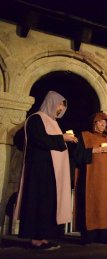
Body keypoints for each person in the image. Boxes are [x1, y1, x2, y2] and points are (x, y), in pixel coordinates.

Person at [14, 91, 78, 250]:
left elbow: (55, 144)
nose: (60, 108)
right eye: (59, 104)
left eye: (62, 106)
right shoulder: (36, 119)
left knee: (48, 203)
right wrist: (62, 138)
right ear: (51, 102)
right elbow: (39, 140)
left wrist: (67, 140)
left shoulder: (53, 122)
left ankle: (43, 237)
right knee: (38, 201)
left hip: (51, 171)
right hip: (39, 169)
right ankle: (35, 239)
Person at [73, 112, 107, 244]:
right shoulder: (84, 136)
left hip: (106, 180)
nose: (103, 125)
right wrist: (93, 150)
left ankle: (104, 236)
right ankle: (89, 236)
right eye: (101, 122)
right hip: (90, 178)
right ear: (94, 123)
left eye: (105, 123)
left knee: (105, 205)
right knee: (91, 203)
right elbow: (77, 156)